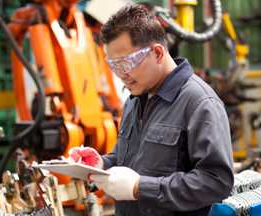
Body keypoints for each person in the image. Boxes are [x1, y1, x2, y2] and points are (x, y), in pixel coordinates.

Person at [65, 4, 234, 216]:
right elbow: (129, 160)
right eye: (114, 66)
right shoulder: (134, 101)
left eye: (126, 63)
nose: (121, 74)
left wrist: (140, 188)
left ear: (157, 52)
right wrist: (101, 164)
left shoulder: (199, 103)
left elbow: (216, 182)